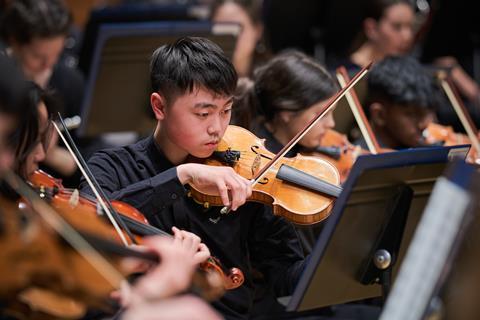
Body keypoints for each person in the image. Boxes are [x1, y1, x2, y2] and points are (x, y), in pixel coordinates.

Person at [80, 36, 306, 319]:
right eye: (203, 113)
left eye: (226, 111)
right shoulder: (111, 166)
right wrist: (181, 176)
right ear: (159, 107)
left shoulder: (241, 172)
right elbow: (93, 221)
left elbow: (284, 276)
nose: (217, 128)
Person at [0, 0, 83, 179]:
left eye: (56, 55)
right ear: (14, 43)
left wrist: (49, 151)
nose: (48, 66)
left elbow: (88, 160)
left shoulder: (69, 81)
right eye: (38, 57)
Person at [358, 55, 437, 150]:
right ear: (379, 115)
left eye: (426, 112)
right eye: (411, 114)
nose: (424, 124)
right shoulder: (362, 160)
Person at [210, 0, 270, 77]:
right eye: (222, 29)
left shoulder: (271, 78)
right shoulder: (198, 77)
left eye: (239, 28)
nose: (229, 38)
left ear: (258, 31)